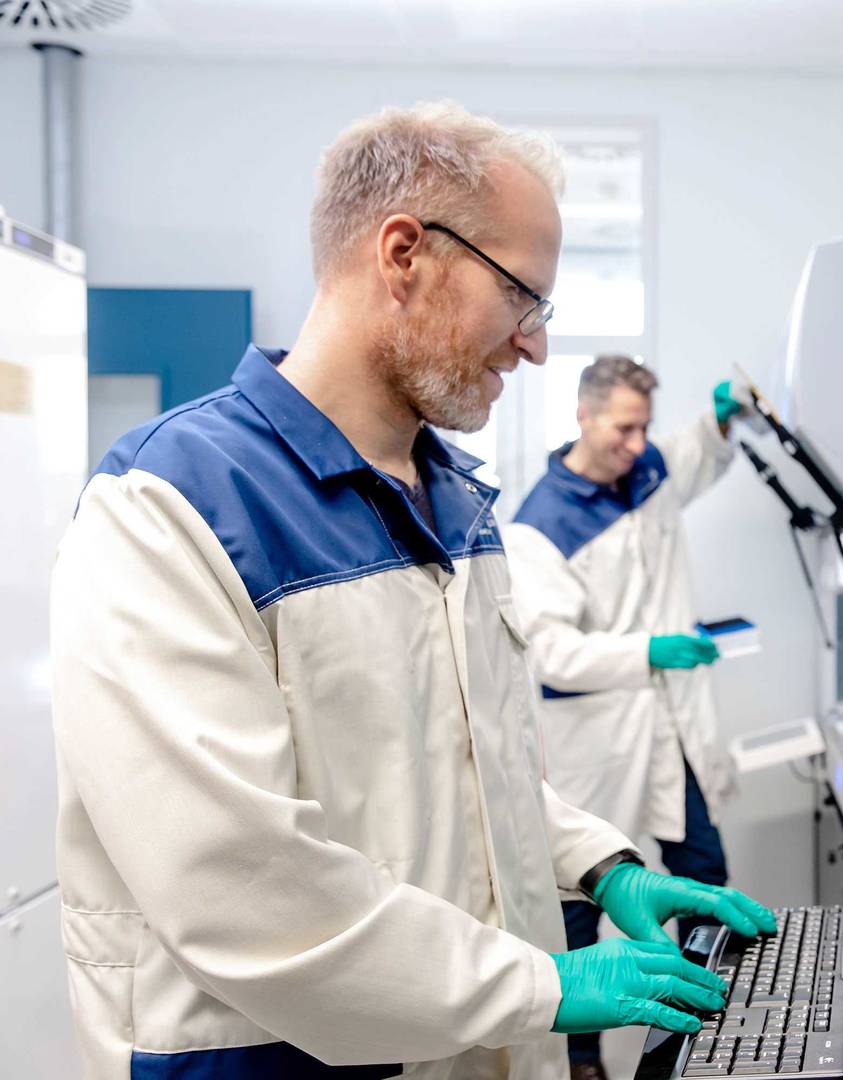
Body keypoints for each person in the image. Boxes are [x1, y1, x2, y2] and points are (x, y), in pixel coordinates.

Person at [51, 102, 774, 1080]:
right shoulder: (169, 506)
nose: (535, 349)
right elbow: (235, 883)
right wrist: (548, 987)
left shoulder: (459, 509)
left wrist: (605, 865)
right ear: (404, 255)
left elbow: (481, 772)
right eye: (524, 298)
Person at [503, 356, 748, 1080]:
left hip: (672, 732)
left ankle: (722, 1028)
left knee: (704, 870)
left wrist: (723, 413)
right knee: (579, 904)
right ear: (584, 416)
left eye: (645, 426)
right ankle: (584, 1065)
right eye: (624, 427)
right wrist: (649, 650)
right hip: (598, 745)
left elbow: (696, 453)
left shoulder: (647, 469)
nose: (638, 443)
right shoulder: (540, 524)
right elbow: (551, 652)